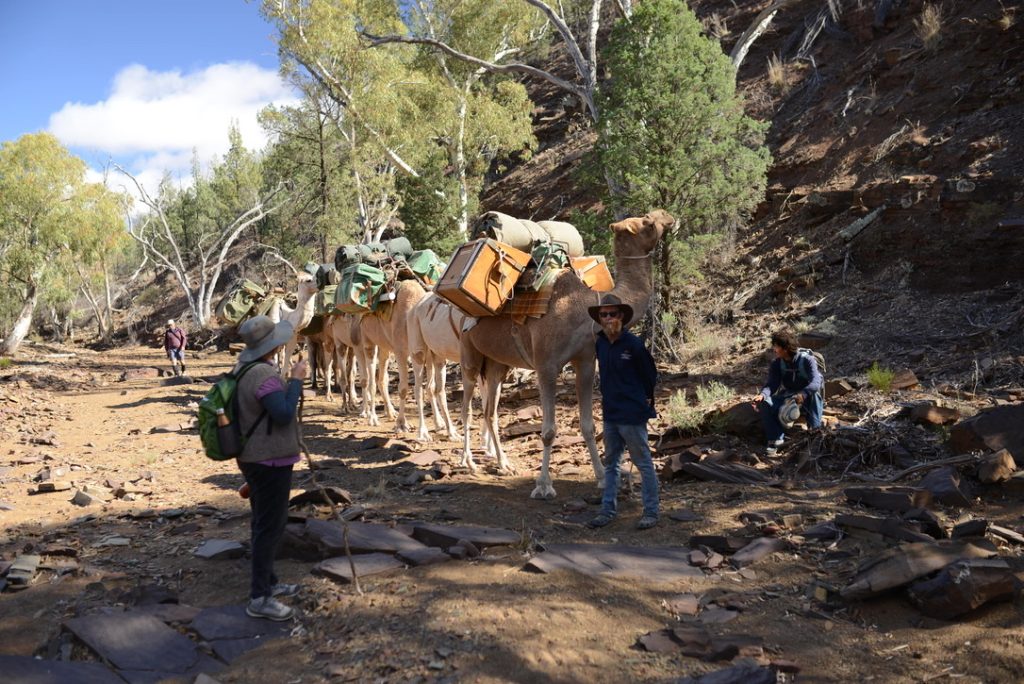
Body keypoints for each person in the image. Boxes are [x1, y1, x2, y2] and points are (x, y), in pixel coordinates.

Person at [233, 315, 309, 621]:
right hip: (269, 460)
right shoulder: (263, 374)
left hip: (253, 457)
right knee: (270, 527)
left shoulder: (243, 369)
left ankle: (269, 583)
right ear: (273, 345)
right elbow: (283, 413)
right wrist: (297, 380)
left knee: (261, 522)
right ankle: (259, 598)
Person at [585, 294, 660, 531]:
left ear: (622, 316)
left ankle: (651, 512)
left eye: (613, 314)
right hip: (611, 414)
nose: (608, 318)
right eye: (604, 314)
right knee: (611, 463)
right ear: (599, 318)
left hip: (632, 414)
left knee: (643, 463)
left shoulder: (633, 344)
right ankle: (607, 510)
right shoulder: (600, 343)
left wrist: (644, 401)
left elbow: (650, 375)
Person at [754, 329, 823, 454]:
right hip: (789, 397)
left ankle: (815, 434)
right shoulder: (777, 364)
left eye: (776, 346)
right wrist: (763, 395)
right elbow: (772, 384)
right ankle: (775, 440)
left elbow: (816, 382)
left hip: (807, 397)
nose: (774, 349)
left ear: (785, 348)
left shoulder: (807, 360)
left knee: (815, 396)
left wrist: (803, 394)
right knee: (765, 403)